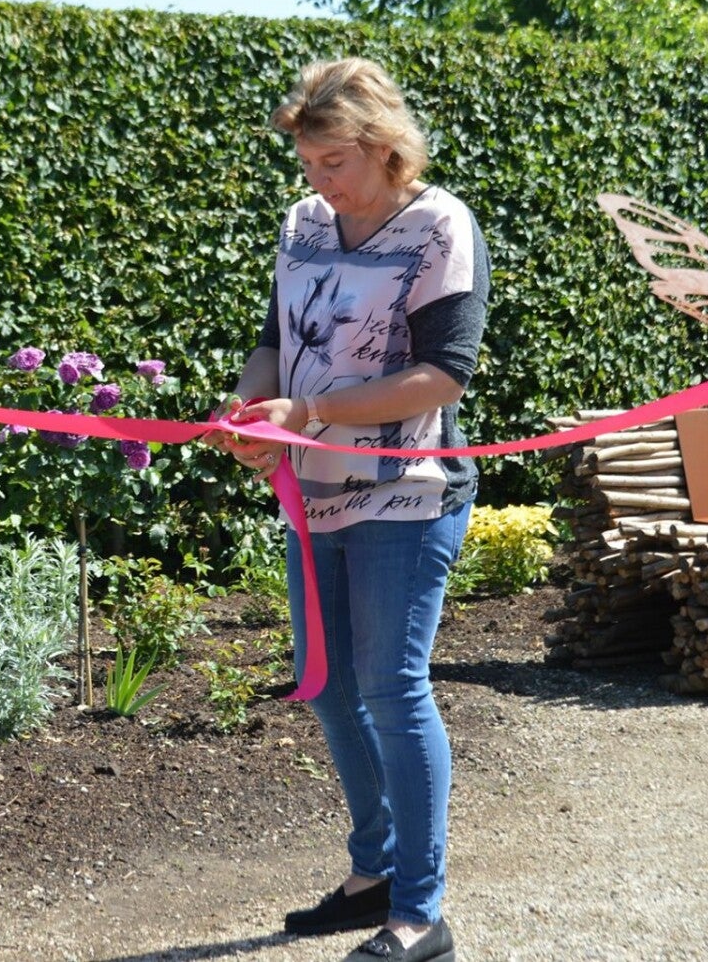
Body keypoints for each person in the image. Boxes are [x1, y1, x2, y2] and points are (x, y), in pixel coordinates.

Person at [215, 57, 488, 962]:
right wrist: (250, 407)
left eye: (332, 161)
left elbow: (442, 372)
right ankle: (370, 871)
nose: (317, 181)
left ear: (383, 148)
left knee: (390, 686)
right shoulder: (302, 222)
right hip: (313, 488)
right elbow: (273, 345)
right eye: (307, 163)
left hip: (407, 492)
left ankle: (419, 909)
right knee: (326, 684)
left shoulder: (438, 224)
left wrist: (312, 411)